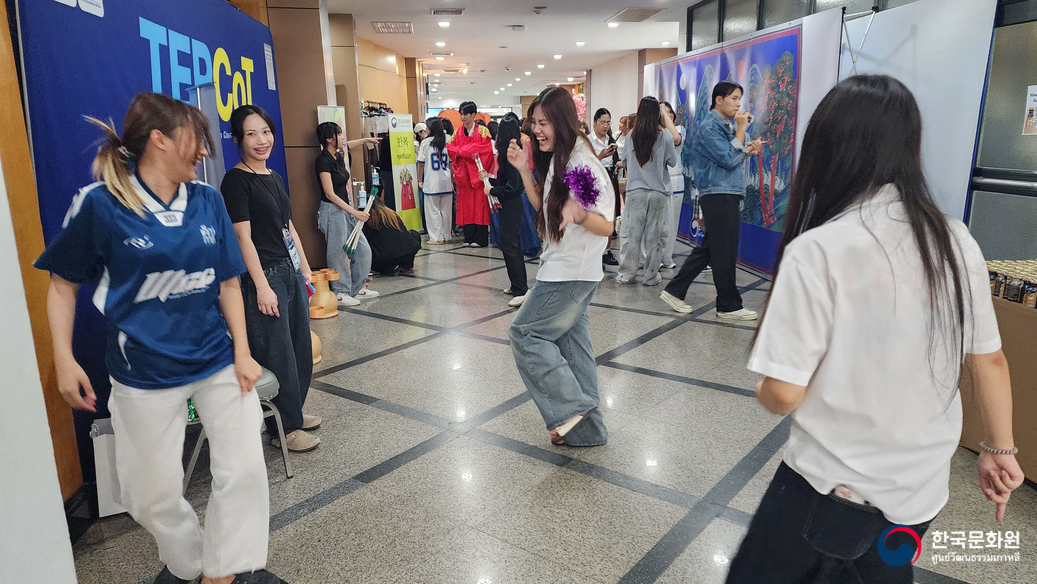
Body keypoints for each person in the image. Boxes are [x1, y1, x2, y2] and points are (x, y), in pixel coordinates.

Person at [726, 75, 1024, 584]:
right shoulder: (953, 238)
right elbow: (989, 358)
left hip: (828, 492)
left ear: (828, 150)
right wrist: (1000, 450)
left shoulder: (820, 249)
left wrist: (762, 389)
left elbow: (783, 393)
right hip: (919, 494)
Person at [35, 93, 287, 584]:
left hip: (216, 359)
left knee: (246, 471)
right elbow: (62, 285)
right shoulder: (101, 204)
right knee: (147, 493)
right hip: (143, 371)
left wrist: (242, 351)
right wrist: (62, 358)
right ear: (159, 140)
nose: (204, 153)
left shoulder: (208, 200)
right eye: (195, 140)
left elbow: (229, 283)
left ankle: (223, 573)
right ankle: (192, 563)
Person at [507, 86, 615, 447]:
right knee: (573, 350)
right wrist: (524, 169)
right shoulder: (563, 158)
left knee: (525, 333)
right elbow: (546, 209)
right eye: (534, 123)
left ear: (563, 121)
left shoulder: (579, 166)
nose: (536, 130)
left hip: (570, 272)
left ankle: (572, 408)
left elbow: (605, 225)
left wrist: (582, 213)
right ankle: (588, 431)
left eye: (544, 123)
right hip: (569, 268)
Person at [220, 105, 320, 453]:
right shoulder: (236, 180)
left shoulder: (274, 177)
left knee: (300, 351)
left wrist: (305, 267)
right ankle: (283, 429)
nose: (261, 140)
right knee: (277, 354)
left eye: (265, 131)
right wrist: (261, 284)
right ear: (237, 139)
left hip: (288, 272)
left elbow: (287, 228)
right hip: (264, 277)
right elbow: (241, 238)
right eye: (251, 134)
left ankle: (292, 412)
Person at [660, 81, 761, 319]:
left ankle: (677, 291)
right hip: (718, 194)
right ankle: (728, 305)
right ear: (719, 99)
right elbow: (727, 158)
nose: (738, 104)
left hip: (724, 192)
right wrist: (742, 131)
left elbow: (730, 158)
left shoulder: (722, 126)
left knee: (713, 248)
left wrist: (747, 150)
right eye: (734, 98)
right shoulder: (710, 127)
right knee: (722, 250)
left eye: (739, 99)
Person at [314, 121, 379, 307]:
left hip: (346, 209)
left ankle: (357, 288)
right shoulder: (322, 161)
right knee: (338, 253)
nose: (343, 137)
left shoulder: (338, 155)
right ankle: (341, 292)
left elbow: (348, 144)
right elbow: (329, 193)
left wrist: (365, 140)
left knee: (363, 249)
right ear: (328, 139)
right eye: (339, 134)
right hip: (332, 211)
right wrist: (354, 212)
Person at [617, 96, 678, 286]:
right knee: (655, 238)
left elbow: (625, 162)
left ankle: (627, 275)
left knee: (631, 236)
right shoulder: (666, 135)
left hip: (635, 192)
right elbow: (672, 162)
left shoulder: (631, 135)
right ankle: (651, 276)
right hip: (659, 193)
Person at [480, 112, 528, 307]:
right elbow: (505, 181)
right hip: (510, 204)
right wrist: (489, 179)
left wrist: (493, 190)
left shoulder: (512, 154)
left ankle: (521, 289)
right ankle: (517, 285)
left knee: (511, 246)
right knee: (510, 244)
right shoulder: (506, 154)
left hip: (512, 204)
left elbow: (513, 187)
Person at [448, 101, 495, 247]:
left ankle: (480, 239)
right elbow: (450, 148)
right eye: (461, 114)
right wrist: (466, 151)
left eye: (465, 114)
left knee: (479, 206)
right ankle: (468, 237)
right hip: (464, 175)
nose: (462, 117)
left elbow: (485, 150)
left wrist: (463, 151)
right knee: (466, 207)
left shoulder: (482, 131)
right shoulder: (457, 132)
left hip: (477, 175)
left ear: (473, 114)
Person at [589, 108, 620, 267]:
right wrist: (601, 156)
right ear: (594, 122)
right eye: (602, 122)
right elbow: (585, 164)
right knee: (596, 216)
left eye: (608, 122)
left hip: (610, 177)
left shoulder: (611, 139)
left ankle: (606, 252)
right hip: (594, 180)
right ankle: (595, 254)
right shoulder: (588, 140)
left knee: (611, 216)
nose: (605, 126)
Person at [362, 197, 421, 275]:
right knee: (413, 234)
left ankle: (387, 267)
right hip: (407, 252)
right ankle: (406, 264)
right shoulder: (391, 213)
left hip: (384, 259)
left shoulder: (370, 217)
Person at [417, 118, 454, 244]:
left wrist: (419, 180)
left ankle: (436, 238)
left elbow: (421, 163)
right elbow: (452, 164)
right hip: (447, 180)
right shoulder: (448, 141)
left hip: (431, 181)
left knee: (433, 210)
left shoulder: (426, 142)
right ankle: (447, 236)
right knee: (446, 211)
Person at [659, 101, 686, 270]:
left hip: (675, 182)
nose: (667, 114)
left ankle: (667, 257)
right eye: (663, 112)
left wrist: (663, 114)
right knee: (658, 223)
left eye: (670, 112)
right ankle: (653, 257)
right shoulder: (655, 133)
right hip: (657, 183)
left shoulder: (680, 130)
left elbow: (675, 138)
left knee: (671, 223)